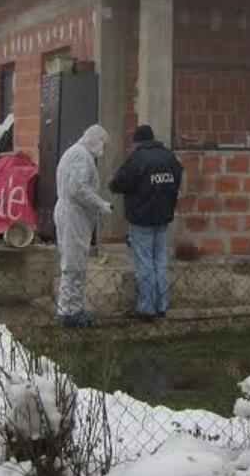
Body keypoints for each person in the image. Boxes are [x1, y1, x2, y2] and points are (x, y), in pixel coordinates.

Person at [109, 124, 184, 321]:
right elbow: (178, 177)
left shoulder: (137, 158)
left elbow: (118, 183)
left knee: (144, 262)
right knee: (160, 261)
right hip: (163, 217)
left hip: (141, 218)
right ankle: (162, 306)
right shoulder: (169, 157)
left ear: (137, 142)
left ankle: (147, 308)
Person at [53, 124, 112, 327]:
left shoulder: (75, 153)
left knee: (74, 262)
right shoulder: (81, 155)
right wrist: (100, 204)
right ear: (95, 140)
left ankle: (71, 308)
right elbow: (77, 188)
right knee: (74, 264)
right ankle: (68, 311)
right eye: (102, 143)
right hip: (73, 215)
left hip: (71, 213)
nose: (102, 148)